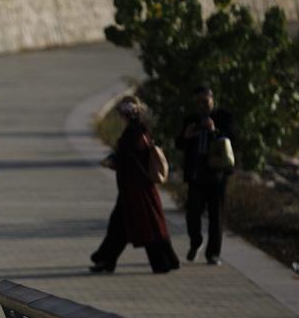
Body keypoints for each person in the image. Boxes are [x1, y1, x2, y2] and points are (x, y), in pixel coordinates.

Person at [90, 95, 181, 274]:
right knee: (123, 225)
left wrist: (115, 162)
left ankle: (163, 262)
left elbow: (131, 160)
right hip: (134, 188)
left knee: (147, 226)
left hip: (137, 190)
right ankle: (106, 259)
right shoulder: (139, 130)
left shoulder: (135, 132)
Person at [175, 85, 235, 265]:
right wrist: (186, 136)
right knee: (192, 213)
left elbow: (232, 139)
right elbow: (179, 144)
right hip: (196, 174)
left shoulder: (223, 117)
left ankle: (213, 253)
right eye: (198, 103)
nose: (202, 106)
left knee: (216, 215)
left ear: (212, 99)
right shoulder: (191, 119)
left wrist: (214, 131)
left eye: (205, 101)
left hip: (217, 174)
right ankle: (196, 241)